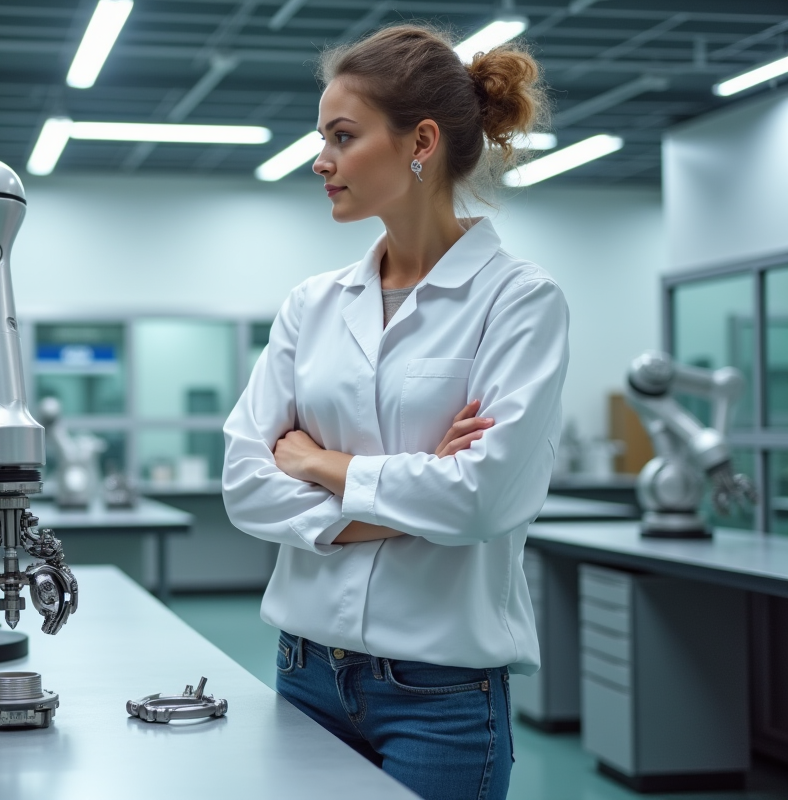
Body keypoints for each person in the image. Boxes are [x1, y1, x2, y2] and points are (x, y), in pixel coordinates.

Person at [222, 23, 567, 800]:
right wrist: (416, 495)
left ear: (422, 142)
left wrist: (316, 464)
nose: (322, 160)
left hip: (441, 700)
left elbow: (484, 497)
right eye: (322, 138)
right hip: (305, 674)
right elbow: (243, 483)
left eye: (343, 137)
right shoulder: (311, 305)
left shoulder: (519, 300)